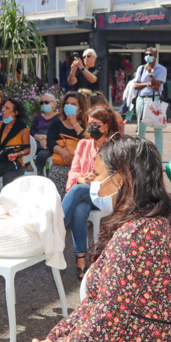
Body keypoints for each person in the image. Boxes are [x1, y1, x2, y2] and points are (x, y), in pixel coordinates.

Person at [0, 134, 171, 342]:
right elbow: (96, 309)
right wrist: (55, 340)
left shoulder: (136, 236)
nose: (93, 182)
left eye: (96, 175)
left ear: (119, 179)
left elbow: (107, 321)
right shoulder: (151, 224)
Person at [62, 106, 118, 280]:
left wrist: (95, 180)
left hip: (107, 193)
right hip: (86, 192)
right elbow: (74, 170)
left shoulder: (116, 145)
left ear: (106, 125)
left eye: (96, 123)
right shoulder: (83, 144)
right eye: (89, 123)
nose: (91, 127)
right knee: (79, 209)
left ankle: (56, 228)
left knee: (78, 191)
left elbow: (118, 176)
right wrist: (81, 179)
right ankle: (80, 258)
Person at [0, 98, 31, 208]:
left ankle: (9, 208)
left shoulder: (22, 128)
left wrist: (17, 154)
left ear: (15, 113)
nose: (3, 109)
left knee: (7, 179)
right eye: (3, 107)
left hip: (16, 165)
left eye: (7, 108)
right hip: (0, 163)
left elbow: (27, 150)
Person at [47, 91, 88, 197]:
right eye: (67, 103)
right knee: (56, 173)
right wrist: (62, 151)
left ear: (81, 109)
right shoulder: (57, 122)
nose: (69, 106)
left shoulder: (87, 124)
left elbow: (87, 141)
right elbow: (50, 142)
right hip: (60, 162)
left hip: (80, 166)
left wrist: (75, 123)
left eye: (73, 104)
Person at [133, 47, 167, 152]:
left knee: (158, 127)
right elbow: (135, 85)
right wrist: (147, 83)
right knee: (141, 127)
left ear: (155, 56)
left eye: (151, 54)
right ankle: (140, 153)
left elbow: (156, 86)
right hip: (142, 99)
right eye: (146, 54)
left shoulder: (161, 69)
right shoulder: (141, 68)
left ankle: (159, 155)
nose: (148, 56)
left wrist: (151, 74)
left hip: (155, 99)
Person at [31, 93, 58, 175]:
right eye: (41, 103)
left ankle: (38, 173)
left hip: (51, 144)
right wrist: (38, 137)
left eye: (46, 102)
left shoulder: (59, 117)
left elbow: (59, 132)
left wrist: (46, 138)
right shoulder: (39, 117)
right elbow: (32, 130)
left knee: (42, 154)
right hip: (37, 143)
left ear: (53, 104)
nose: (43, 104)